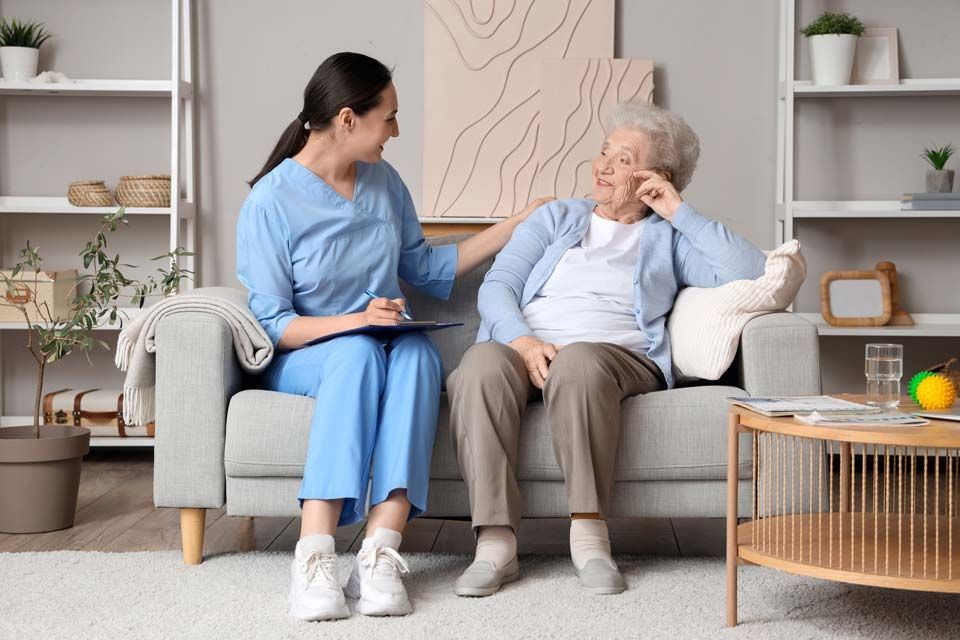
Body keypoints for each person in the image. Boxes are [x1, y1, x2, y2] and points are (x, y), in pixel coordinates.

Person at [236, 52, 551, 621]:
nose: (397, 131)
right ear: (349, 118)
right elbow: (273, 325)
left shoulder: (385, 184)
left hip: (386, 341)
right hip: (312, 352)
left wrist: (516, 224)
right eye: (390, 118)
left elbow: (428, 268)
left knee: (417, 357)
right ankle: (314, 556)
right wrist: (356, 321)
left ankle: (381, 552)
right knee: (359, 354)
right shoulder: (270, 201)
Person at [446, 101, 767, 598]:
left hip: (614, 359)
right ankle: (494, 544)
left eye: (623, 159)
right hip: (525, 347)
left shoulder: (670, 238)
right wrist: (524, 342)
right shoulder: (556, 218)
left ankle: (590, 538)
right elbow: (498, 287)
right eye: (604, 153)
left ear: (654, 176)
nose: (603, 166)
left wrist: (677, 210)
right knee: (479, 365)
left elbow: (750, 271)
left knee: (578, 359)